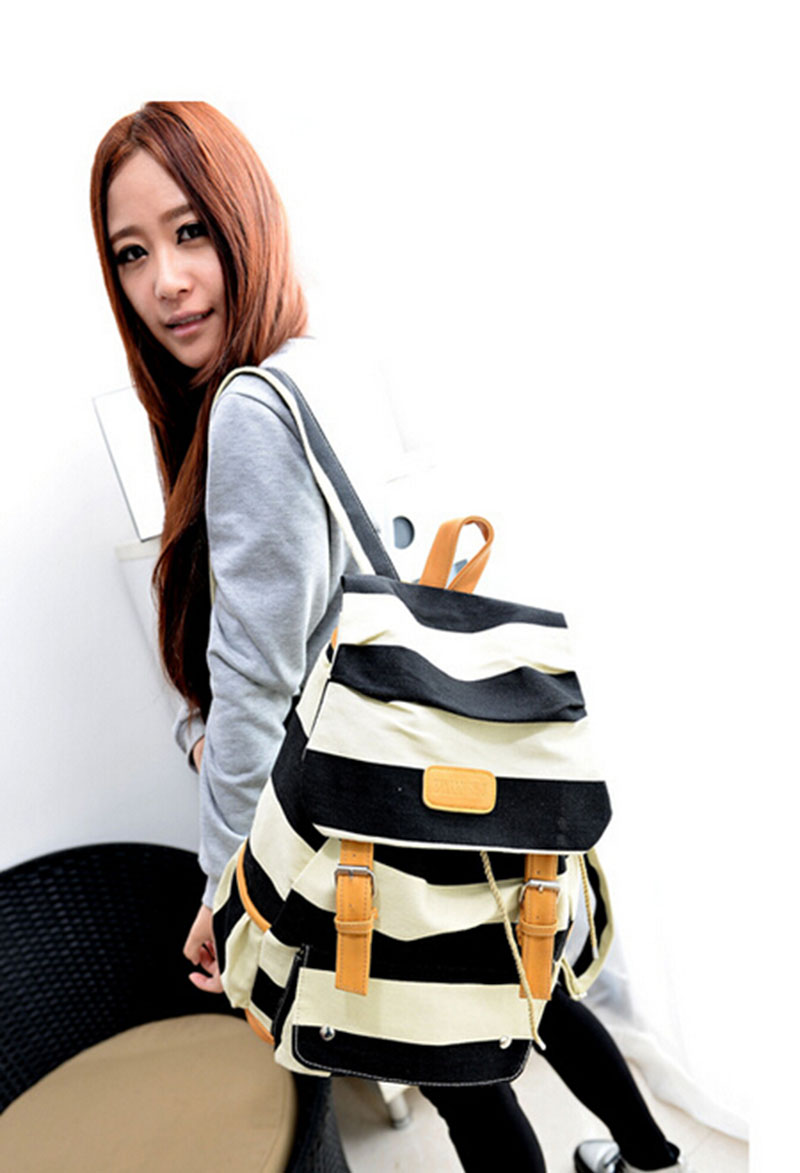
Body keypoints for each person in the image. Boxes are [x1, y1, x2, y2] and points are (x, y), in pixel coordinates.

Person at [90, 100, 694, 1173]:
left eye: (189, 232)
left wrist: (226, 887)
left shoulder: (247, 410)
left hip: (366, 804)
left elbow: (253, 676)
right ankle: (650, 1158)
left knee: (457, 1068)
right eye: (131, 253)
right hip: (440, 751)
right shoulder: (315, 359)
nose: (165, 282)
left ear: (243, 218)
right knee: (535, 986)